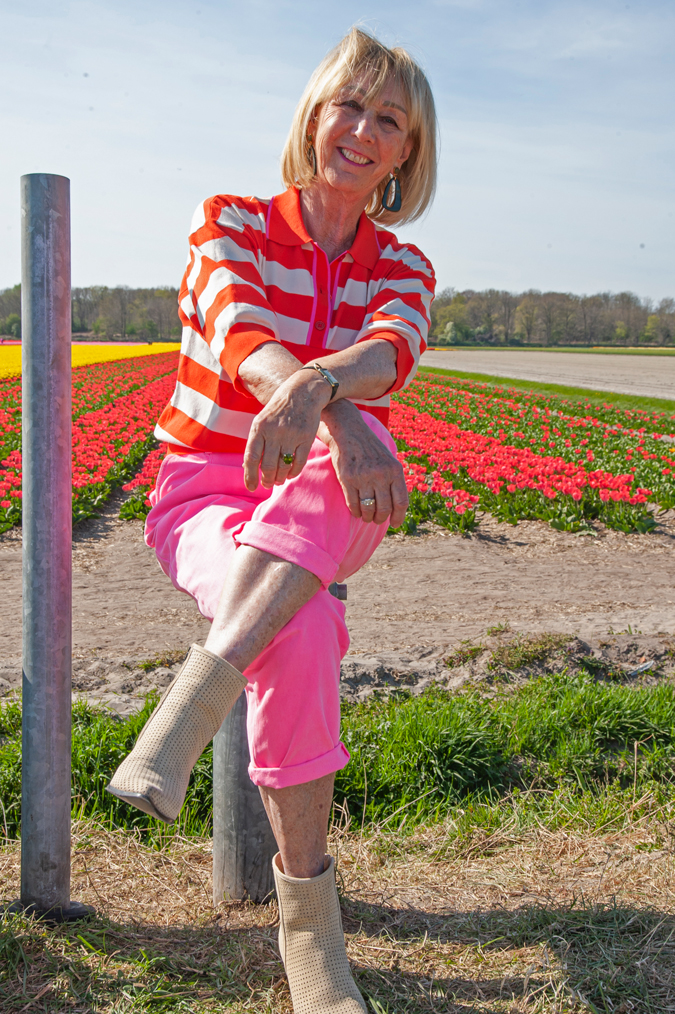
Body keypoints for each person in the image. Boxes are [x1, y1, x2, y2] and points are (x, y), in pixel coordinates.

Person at [108, 26, 437, 1013]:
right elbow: (238, 327)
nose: (363, 131)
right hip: (209, 485)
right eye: (350, 105)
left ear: (409, 152)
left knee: (354, 469)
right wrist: (323, 403)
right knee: (305, 630)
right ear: (314, 112)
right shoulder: (232, 222)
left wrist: (326, 403)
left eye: (390, 120)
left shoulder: (405, 264)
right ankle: (311, 929)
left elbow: (394, 346)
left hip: (333, 497)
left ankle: (196, 697)